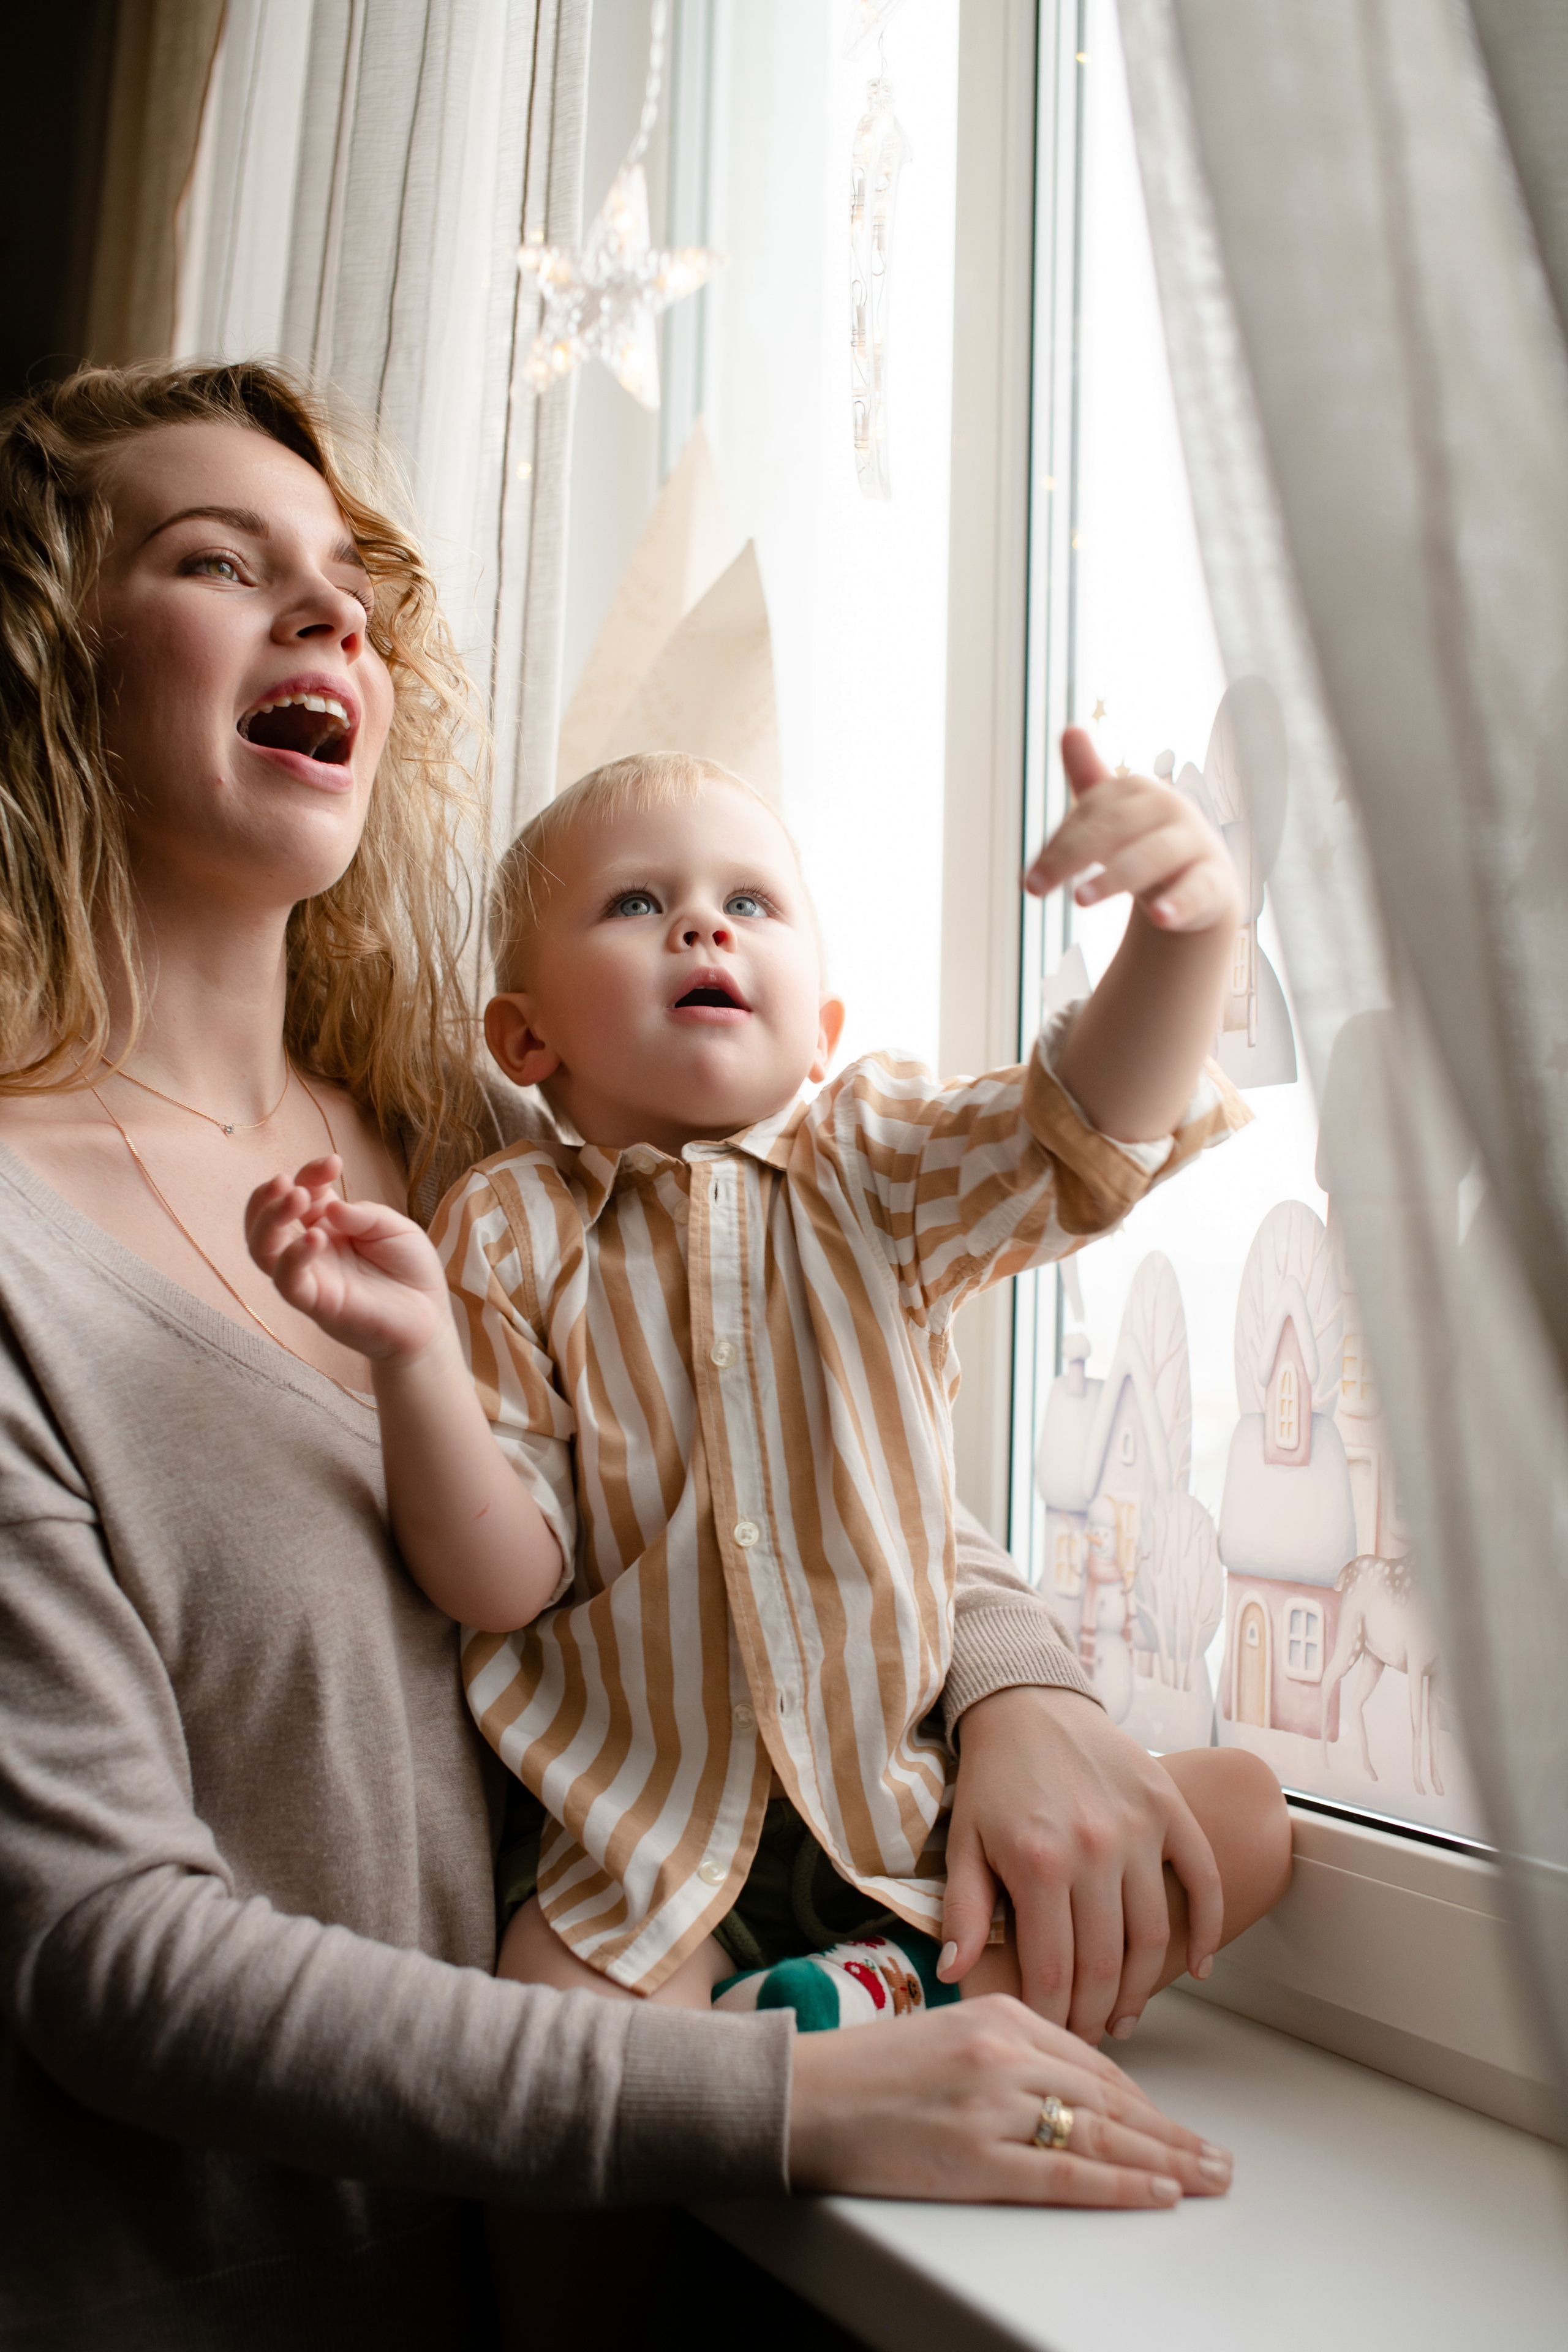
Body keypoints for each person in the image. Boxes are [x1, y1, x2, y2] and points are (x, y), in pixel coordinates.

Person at [0, 360, 1284, 2352]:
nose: (331, 615)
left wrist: (1019, 1689)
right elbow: (103, 1955)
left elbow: (784, 1459)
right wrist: (781, 2093)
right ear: (42, 656)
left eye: (348, 582)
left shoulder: (484, 1153)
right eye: (216, 564)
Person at [248, 744, 1287, 2019]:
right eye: (636, 904)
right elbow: (501, 1580)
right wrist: (409, 1356)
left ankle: (865, 2000)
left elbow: (1084, 1128)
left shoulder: (877, 1164)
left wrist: (1184, 930)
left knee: (1244, 1817)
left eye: (749, 904)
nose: (700, 923)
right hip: (642, 1851)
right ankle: (873, 2022)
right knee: (556, 2060)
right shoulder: (510, 1231)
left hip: (907, 1818)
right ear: (525, 1038)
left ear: (820, 1034)